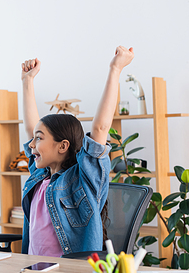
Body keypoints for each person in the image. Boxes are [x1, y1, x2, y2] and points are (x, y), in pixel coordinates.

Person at [20, 46, 134, 257]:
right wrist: (27, 81)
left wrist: (115, 69)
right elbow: (30, 128)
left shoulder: (82, 181)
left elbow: (100, 128)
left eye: (39, 138)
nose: (32, 145)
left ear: (62, 146)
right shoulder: (39, 177)